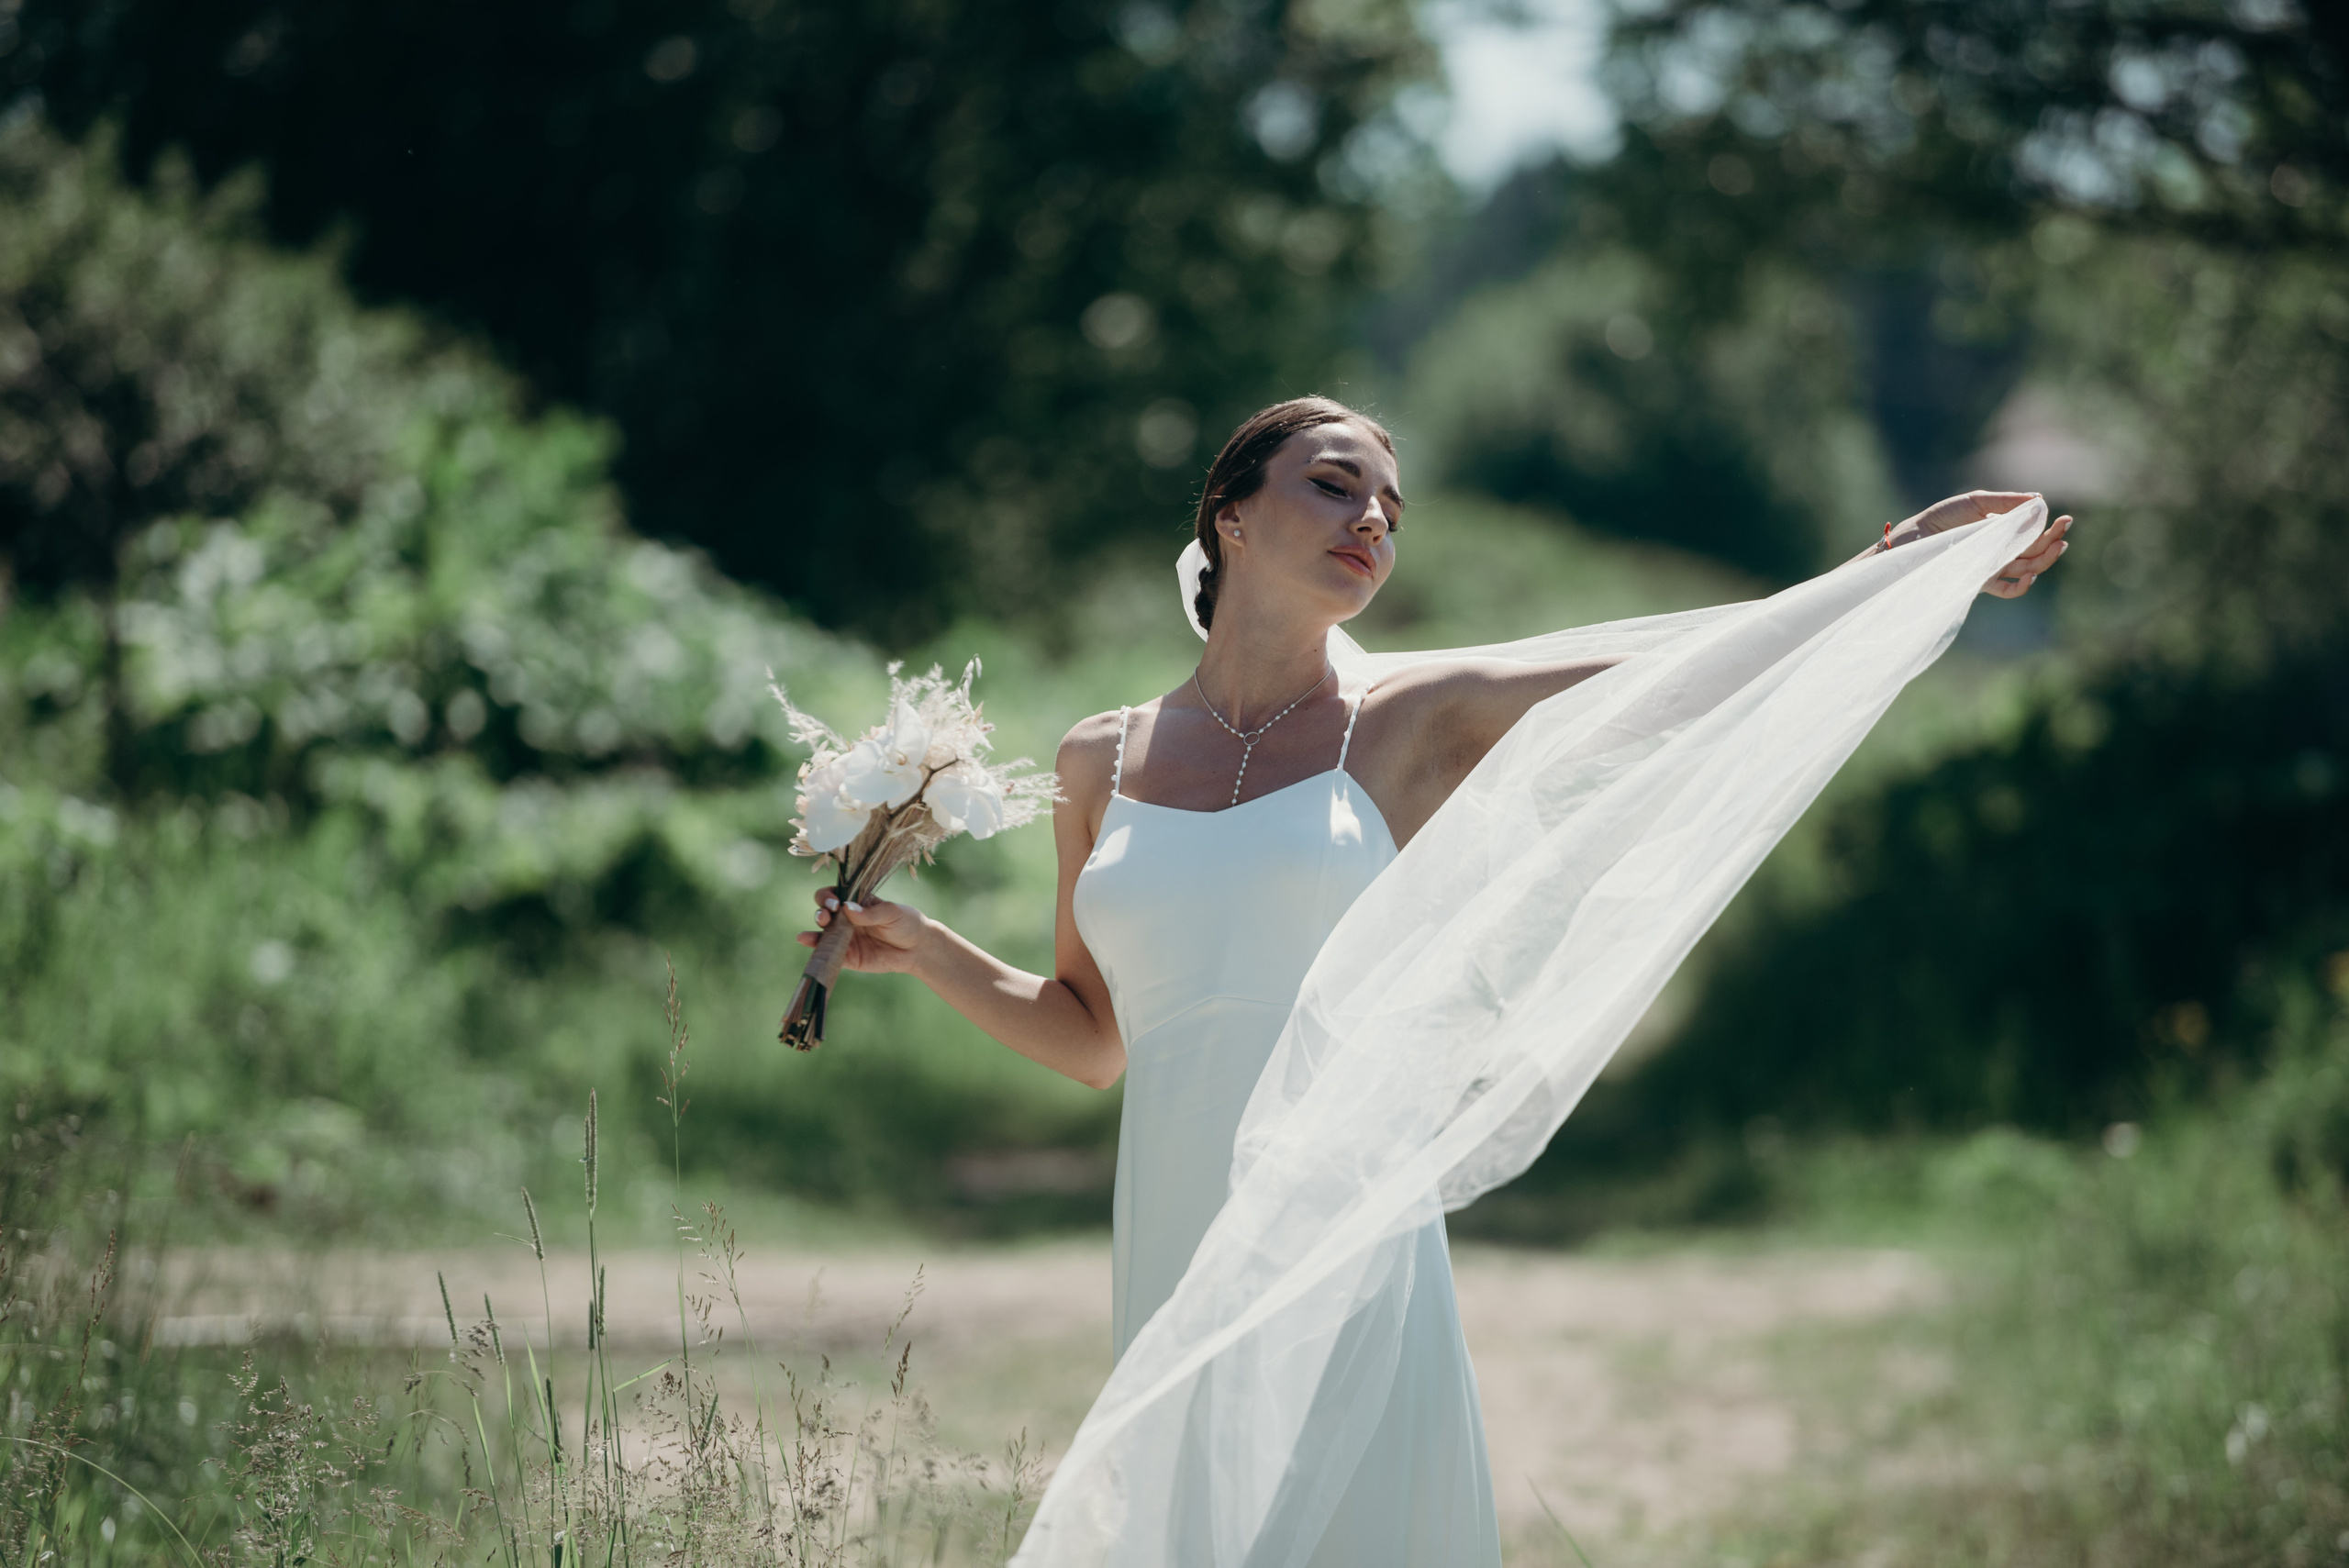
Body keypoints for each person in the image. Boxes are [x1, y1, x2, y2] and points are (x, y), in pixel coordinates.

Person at [799, 395, 2069, 1562]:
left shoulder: (1413, 716)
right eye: (1338, 486)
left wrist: (1899, 562)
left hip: (1343, 1215)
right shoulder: (1098, 758)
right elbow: (1093, 1037)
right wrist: (927, 950)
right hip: (1174, 1220)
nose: (1372, 522)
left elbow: (1696, 675)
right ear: (1229, 516)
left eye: (1390, 510)